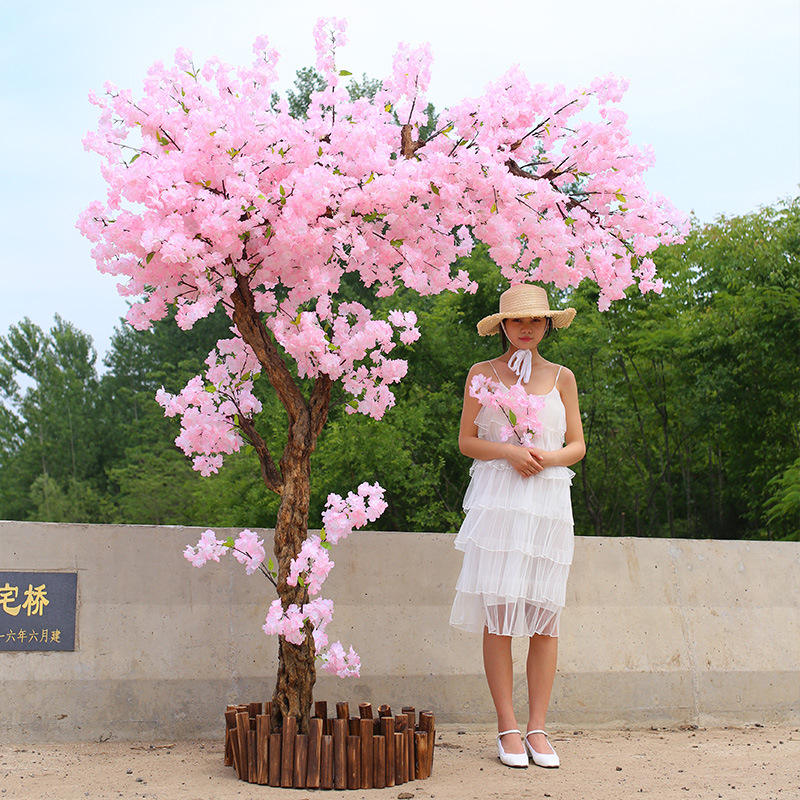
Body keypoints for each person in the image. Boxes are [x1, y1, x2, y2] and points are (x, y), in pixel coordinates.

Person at [449, 283, 585, 769]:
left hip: (547, 500)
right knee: (501, 616)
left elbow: (577, 445)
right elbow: (466, 440)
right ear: (503, 326)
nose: (526, 328)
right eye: (516, 320)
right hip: (500, 500)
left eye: (535, 320)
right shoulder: (481, 374)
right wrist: (508, 450)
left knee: (545, 619)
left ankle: (538, 729)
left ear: (547, 325)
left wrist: (545, 458)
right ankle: (507, 726)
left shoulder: (562, 377)